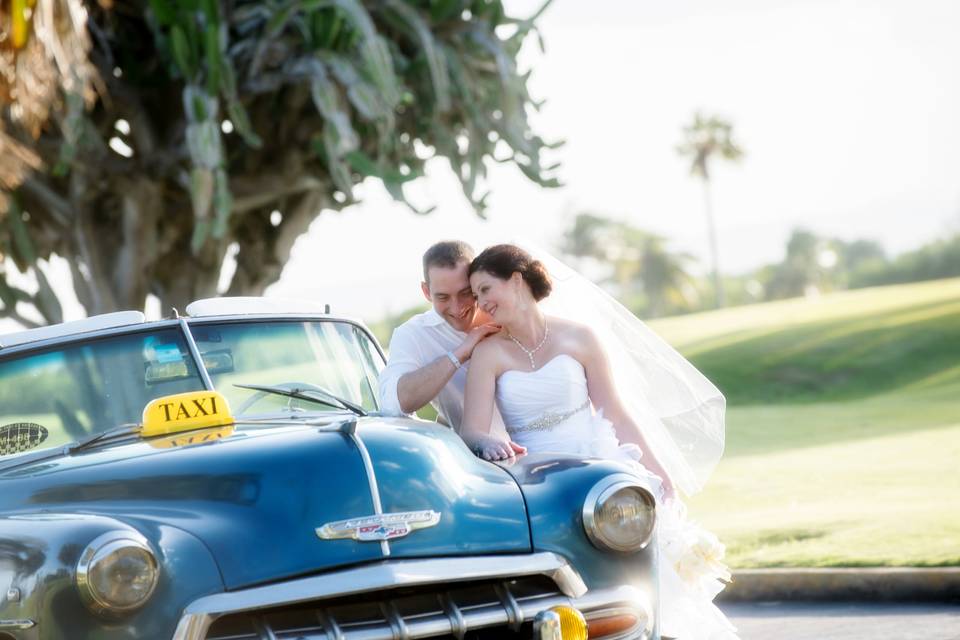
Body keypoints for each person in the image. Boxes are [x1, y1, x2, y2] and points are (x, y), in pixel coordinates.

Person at [460, 243, 738, 640]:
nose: (481, 303)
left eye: (486, 289)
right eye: (476, 294)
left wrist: (659, 473)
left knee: (641, 580)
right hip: (538, 480)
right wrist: (488, 444)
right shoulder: (489, 352)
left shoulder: (580, 336)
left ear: (517, 280)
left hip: (600, 466)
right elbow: (473, 429)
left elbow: (616, 412)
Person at [377, 241, 513, 440]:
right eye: (443, 297)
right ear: (426, 292)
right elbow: (394, 405)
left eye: (465, 293)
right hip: (487, 462)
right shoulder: (413, 335)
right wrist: (459, 354)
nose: (457, 308)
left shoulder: (506, 316)